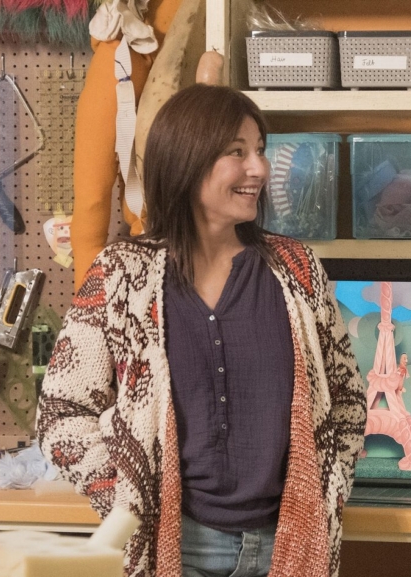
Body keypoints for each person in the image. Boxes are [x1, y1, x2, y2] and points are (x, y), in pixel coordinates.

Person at [36, 84, 367, 577]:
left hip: (291, 546)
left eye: (260, 150)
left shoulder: (297, 269)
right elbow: (61, 413)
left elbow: (348, 401)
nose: (259, 168)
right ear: (186, 160)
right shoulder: (121, 275)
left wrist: (328, 491)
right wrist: (128, 499)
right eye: (237, 152)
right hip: (175, 549)